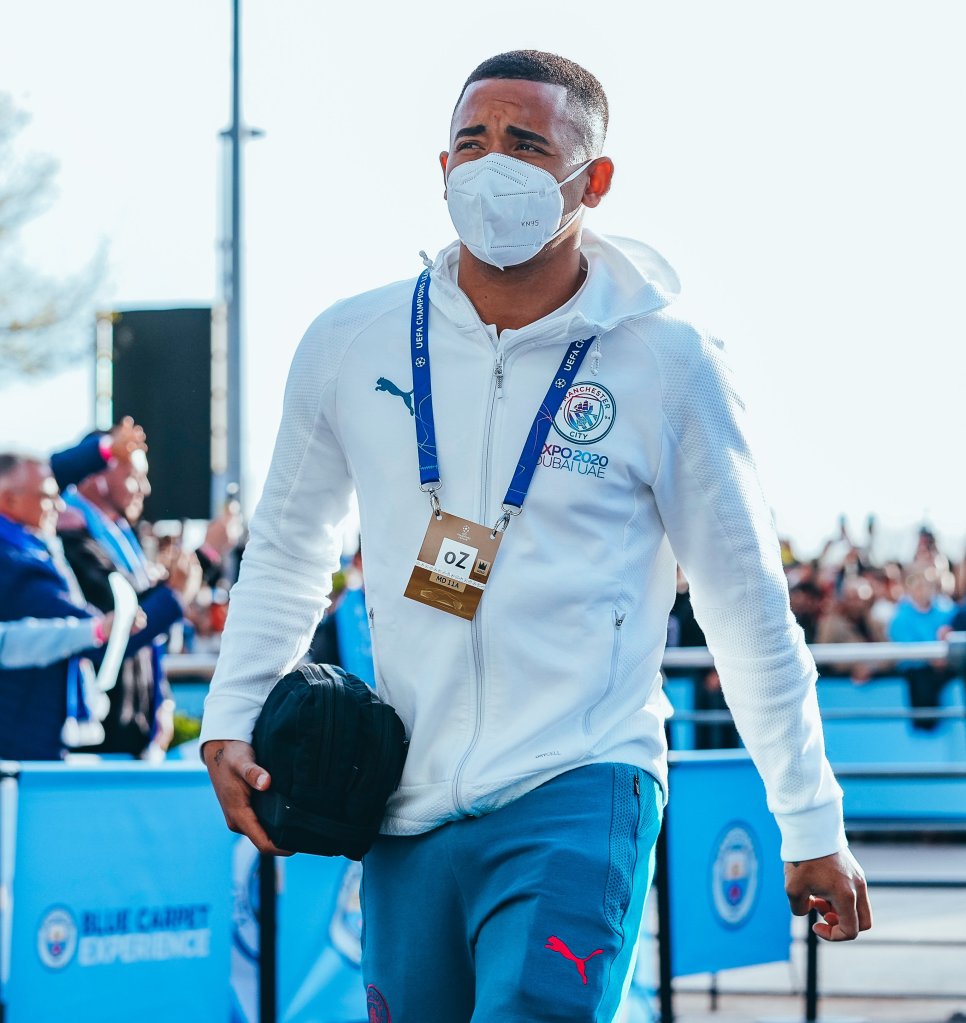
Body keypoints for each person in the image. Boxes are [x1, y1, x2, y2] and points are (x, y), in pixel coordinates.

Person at [201, 50, 872, 1021]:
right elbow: (287, 550)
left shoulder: (666, 362)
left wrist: (809, 817)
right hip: (402, 799)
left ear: (593, 181)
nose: (492, 167)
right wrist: (231, 714)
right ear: (441, 170)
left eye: (526, 144)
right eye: (471, 143)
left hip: (581, 782)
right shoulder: (350, 342)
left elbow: (746, 604)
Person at [58, 453, 192, 757]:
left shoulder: (120, 541)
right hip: (96, 741)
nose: (145, 488)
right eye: (134, 476)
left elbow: (143, 617)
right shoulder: (71, 542)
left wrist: (162, 699)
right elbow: (117, 633)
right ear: (95, 476)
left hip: (129, 732)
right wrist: (174, 593)